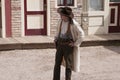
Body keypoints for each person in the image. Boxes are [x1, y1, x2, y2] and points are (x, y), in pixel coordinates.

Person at [53, 6, 84, 80]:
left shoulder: (74, 24)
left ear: (66, 16)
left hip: (68, 46)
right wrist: (55, 39)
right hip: (60, 44)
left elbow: (82, 35)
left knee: (68, 65)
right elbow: (57, 31)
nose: (60, 16)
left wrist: (75, 44)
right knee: (57, 64)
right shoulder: (60, 21)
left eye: (62, 15)